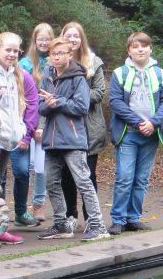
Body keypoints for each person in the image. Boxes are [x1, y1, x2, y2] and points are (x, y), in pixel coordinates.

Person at [36, 37, 110, 241]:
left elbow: (81, 107)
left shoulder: (78, 78)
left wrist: (58, 102)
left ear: (69, 55)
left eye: (61, 53)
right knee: (51, 183)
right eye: (53, 54)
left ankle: (98, 226)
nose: (56, 57)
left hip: (73, 139)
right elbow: (41, 107)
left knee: (84, 182)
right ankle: (61, 225)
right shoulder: (47, 76)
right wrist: (48, 105)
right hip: (51, 140)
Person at [108, 32, 163, 235]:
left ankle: (133, 218)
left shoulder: (161, 74)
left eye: (144, 46)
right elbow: (115, 102)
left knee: (142, 179)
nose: (140, 50)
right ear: (129, 50)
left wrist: (153, 123)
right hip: (128, 134)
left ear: (150, 49)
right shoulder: (120, 73)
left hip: (151, 135)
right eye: (135, 46)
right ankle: (118, 219)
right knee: (124, 177)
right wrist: (138, 123)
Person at [0, 32, 39, 245]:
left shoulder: (17, 74)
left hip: (9, 138)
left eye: (16, 50)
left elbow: (30, 102)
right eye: (8, 50)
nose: (12, 54)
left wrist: (23, 131)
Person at [58, 22, 107, 231]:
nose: (72, 39)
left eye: (76, 36)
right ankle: (71, 215)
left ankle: (91, 218)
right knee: (66, 174)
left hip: (89, 126)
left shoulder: (94, 62)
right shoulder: (58, 62)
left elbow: (99, 92)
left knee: (88, 174)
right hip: (65, 126)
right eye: (68, 35)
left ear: (82, 38)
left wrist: (76, 97)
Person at [20, 23, 54, 224]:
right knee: (25, 166)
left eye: (48, 39)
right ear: (34, 40)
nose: (44, 42)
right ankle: (21, 206)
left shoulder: (55, 62)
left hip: (46, 119)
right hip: (26, 119)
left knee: (41, 167)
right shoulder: (25, 63)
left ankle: (38, 203)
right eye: (41, 39)